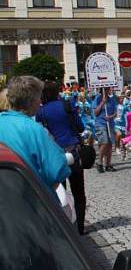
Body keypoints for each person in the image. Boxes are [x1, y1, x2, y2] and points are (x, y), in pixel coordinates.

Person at [0, 76, 71, 189]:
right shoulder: (35, 129)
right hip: (28, 199)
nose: (40, 101)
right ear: (32, 101)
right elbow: (56, 173)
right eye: (39, 97)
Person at [36, 80, 86, 234]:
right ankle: (80, 228)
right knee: (78, 192)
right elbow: (81, 126)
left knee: (60, 191)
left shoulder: (41, 112)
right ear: (57, 91)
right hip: (74, 151)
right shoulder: (67, 105)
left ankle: (65, 227)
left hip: (55, 155)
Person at [93, 87, 118, 172]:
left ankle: (108, 164)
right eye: (106, 89)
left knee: (110, 144)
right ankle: (99, 162)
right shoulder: (97, 98)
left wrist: (110, 116)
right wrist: (102, 103)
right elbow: (95, 113)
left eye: (109, 89)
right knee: (104, 142)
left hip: (110, 123)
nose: (108, 90)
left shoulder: (112, 100)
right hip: (100, 123)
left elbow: (115, 113)